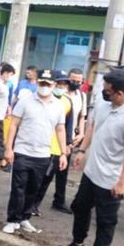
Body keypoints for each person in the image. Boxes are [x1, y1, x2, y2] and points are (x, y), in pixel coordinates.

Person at [65, 68, 124, 246]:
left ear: (120, 92)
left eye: (108, 90)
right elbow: (93, 126)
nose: (104, 93)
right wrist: (82, 150)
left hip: (111, 178)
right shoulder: (105, 104)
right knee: (80, 207)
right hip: (91, 171)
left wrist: (122, 183)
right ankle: (78, 243)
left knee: (105, 220)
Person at [2, 70, 67, 234]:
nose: (45, 87)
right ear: (38, 83)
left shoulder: (58, 107)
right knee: (18, 187)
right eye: (42, 83)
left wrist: (63, 153)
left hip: (43, 154)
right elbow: (13, 124)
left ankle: (24, 218)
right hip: (23, 151)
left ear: (54, 85)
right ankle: (12, 219)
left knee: (33, 189)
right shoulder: (25, 101)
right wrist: (9, 149)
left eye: (48, 84)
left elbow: (60, 130)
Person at [31, 73, 74, 216]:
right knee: (35, 177)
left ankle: (35, 205)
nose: (61, 87)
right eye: (59, 83)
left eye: (64, 84)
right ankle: (28, 203)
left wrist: (67, 145)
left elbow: (68, 125)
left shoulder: (67, 102)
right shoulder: (38, 99)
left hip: (55, 147)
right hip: (39, 144)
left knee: (46, 179)